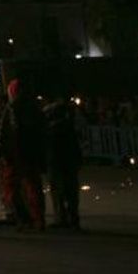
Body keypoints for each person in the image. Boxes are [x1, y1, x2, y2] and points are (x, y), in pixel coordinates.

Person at [0, 79, 47, 231]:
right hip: (31, 153)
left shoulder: (11, 108)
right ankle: (38, 219)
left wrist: (0, 153)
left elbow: (3, 132)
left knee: (12, 188)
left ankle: (24, 219)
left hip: (16, 154)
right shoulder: (34, 108)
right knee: (33, 187)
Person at [45, 96, 84, 230]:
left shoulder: (53, 129)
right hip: (68, 163)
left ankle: (62, 218)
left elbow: (50, 148)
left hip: (58, 164)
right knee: (71, 192)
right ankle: (73, 218)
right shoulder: (68, 126)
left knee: (59, 192)